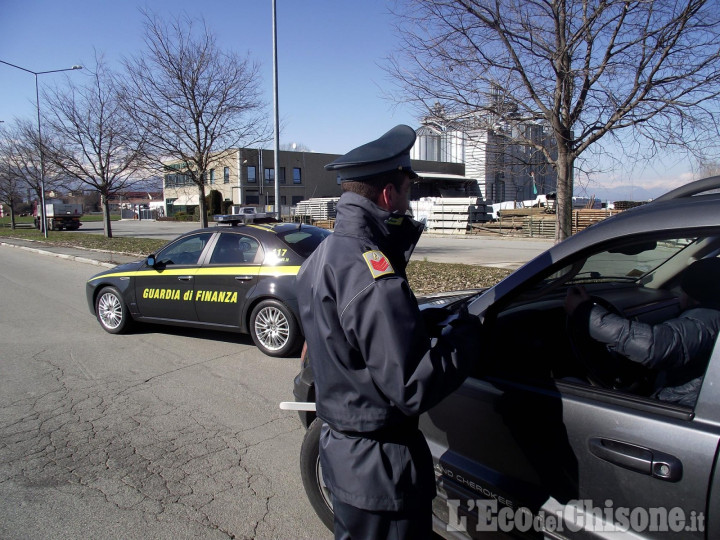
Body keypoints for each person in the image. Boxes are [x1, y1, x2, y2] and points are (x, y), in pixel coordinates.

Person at [296, 125, 481, 539]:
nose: (410, 196)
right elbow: (412, 386)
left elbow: (344, 339)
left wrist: (420, 324)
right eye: (407, 186)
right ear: (386, 195)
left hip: (344, 458)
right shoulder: (372, 272)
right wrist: (468, 337)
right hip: (381, 472)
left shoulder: (322, 255)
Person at [564, 258, 720, 406]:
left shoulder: (706, 322)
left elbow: (654, 347)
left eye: (682, 291)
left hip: (681, 407)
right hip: (692, 400)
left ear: (693, 297)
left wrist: (584, 312)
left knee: (570, 384)